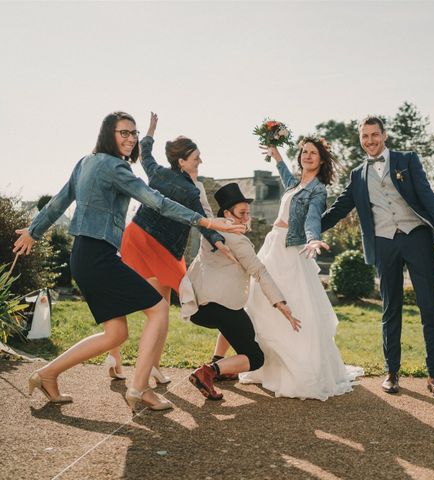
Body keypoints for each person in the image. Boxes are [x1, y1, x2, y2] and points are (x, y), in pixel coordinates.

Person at [14, 111, 244, 411]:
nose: (131, 138)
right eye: (124, 133)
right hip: (98, 256)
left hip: (85, 254)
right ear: (109, 134)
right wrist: (208, 223)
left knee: (116, 333)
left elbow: (59, 202)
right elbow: (157, 201)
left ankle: (47, 374)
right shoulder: (116, 168)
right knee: (159, 309)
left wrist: (34, 231)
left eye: (134, 133)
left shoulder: (85, 162)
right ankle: (138, 389)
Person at [321, 116, 434, 398]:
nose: (370, 141)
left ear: (384, 135)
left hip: (416, 236)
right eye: (365, 136)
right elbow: (340, 208)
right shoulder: (358, 174)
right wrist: (310, 228)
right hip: (384, 243)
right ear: (360, 139)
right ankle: (392, 372)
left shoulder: (408, 160)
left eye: (374, 135)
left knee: (429, 306)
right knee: (390, 308)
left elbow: (427, 195)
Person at [105, 112, 236, 385]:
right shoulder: (191, 191)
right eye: (197, 157)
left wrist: (151, 129)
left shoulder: (158, 172)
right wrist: (220, 243)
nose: (200, 161)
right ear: (182, 161)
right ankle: (150, 366)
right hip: (163, 249)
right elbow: (203, 221)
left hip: (137, 236)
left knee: (130, 299)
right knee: (160, 310)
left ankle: (115, 354)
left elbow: (146, 153)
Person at [239, 138, 363, 401]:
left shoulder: (318, 190)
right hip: (272, 246)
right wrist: (276, 155)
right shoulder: (295, 183)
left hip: (291, 251)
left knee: (295, 307)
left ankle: (299, 370)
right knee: (261, 304)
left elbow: (313, 217)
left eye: (313, 153)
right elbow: (285, 175)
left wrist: (313, 238)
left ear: (321, 159)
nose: (307, 156)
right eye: (304, 152)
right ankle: (267, 364)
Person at [180, 182, 300, 400]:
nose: (247, 217)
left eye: (248, 212)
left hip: (197, 304)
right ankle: (208, 372)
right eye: (242, 213)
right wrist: (280, 303)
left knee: (234, 321)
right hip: (220, 307)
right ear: (227, 213)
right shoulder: (238, 241)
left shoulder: (210, 228)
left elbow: (203, 207)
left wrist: (193, 179)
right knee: (255, 358)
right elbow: (260, 272)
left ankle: (219, 360)